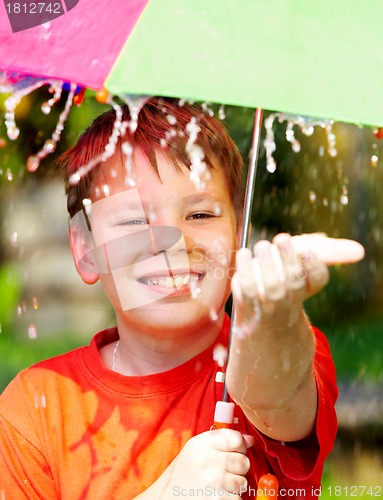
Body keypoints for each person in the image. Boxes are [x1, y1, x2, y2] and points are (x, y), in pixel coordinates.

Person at [0, 98, 359, 499]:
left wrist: (272, 314)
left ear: (240, 236)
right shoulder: (35, 408)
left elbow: (275, 395)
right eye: (135, 220)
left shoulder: (283, 347)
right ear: (85, 249)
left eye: (201, 215)